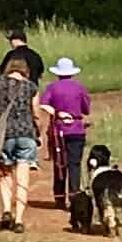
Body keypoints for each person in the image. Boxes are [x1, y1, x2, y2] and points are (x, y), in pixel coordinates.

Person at [0, 56, 42, 231]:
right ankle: (18, 219)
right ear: (25, 70)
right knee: (23, 177)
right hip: (26, 134)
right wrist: (37, 131)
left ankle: (7, 209)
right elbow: (36, 114)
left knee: (5, 174)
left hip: (5, 135)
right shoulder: (32, 87)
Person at [38, 56, 91, 207]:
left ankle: (59, 197)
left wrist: (56, 112)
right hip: (76, 129)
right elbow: (86, 109)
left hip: (58, 130)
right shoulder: (79, 87)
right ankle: (74, 196)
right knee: (74, 164)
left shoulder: (52, 88)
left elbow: (43, 104)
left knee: (59, 163)